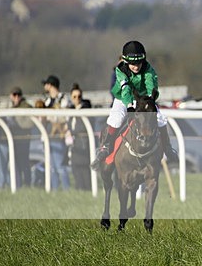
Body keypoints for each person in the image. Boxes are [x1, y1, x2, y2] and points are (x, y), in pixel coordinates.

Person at [90, 40, 178, 170]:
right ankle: (106, 146)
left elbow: (151, 86)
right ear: (126, 62)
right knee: (116, 119)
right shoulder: (120, 70)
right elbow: (125, 90)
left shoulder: (148, 69)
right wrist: (130, 106)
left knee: (160, 119)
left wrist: (149, 100)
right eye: (132, 64)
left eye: (138, 63)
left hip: (143, 98)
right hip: (122, 98)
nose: (136, 67)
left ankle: (167, 148)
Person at [40, 75, 72, 190]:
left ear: (51, 85)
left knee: (60, 165)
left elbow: (65, 117)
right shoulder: (47, 101)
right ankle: (54, 189)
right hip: (47, 135)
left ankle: (66, 189)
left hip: (59, 136)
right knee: (51, 167)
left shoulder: (63, 99)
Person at [7, 87, 34, 188]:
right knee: (15, 163)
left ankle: (27, 184)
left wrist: (18, 123)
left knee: (24, 162)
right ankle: (17, 185)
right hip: (13, 140)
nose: (16, 97)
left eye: (18, 95)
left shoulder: (27, 107)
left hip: (23, 139)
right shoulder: (10, 109)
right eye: (14, 95)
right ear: (11, 96)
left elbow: (30, 123)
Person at [67, 84, 93, 191]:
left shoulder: (86, 108)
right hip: (74, 144)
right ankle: (79, 190)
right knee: (75, 168)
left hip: (83, 143)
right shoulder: (71, 110)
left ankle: (87, 190)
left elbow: (82, 127)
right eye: (74, 96)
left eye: (79, 96)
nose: (77, 99)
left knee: (84, 168)